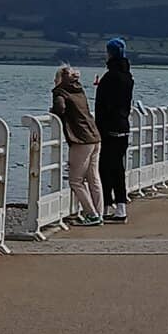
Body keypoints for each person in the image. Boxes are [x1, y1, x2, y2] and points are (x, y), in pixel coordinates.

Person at [51, 64, 104, 226]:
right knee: (94, 178)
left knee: (75, 180)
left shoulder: (60, 92)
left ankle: (91, 214)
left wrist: (53, 112)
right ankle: (99, 213)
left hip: (80, 139)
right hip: (95, 136)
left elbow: (60, 108)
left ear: (60, 78)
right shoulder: (79, 90)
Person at [95, 39, 133, 224]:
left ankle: (108, 205)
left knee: (105, 168)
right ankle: (119, 206)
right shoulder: (128, 76)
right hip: (123, 126)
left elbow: (104, 106)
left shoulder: (110, 77)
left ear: (110, 53)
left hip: (109, 128)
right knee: (118, 168)